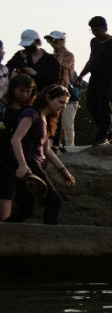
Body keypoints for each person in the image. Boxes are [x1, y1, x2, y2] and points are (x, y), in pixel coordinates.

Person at [6, 85, 76, 225]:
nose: (63, 106)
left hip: (33, 164)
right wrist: (22, 165)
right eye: (61, 102)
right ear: (48, 97)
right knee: (54, 201)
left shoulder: (46, 119)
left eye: (66, 104)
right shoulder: (32, 113)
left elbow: (47, 149)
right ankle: (51, 239)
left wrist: (64, 171)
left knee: (24, 211)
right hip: (28, 165)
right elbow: (15, 139)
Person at [76, 15, 112, 146]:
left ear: (105, 28)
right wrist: (81, 75)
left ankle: (103, 136)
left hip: (109, 79)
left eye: (97, 30)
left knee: (104, 106)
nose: (95, 32)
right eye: (93, 30)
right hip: (94, 78)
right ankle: (108, 132)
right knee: (91, 105)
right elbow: (91, 60)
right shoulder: (93, 42)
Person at [0, 74, 37, 221]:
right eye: (21, 90)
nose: (25, 94)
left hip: (18, 155)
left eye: (28, 91)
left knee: (17, 194)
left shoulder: (28, 110)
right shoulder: (3, 106)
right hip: (3, 154)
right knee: (5, 191)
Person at [46, 31, 77, 151]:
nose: (51, 43)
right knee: (50, 116)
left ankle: (56, 144)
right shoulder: (52, 55)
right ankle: (51, 143)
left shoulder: (68, 55)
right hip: (51, 88)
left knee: (59, 117)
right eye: (50, 41)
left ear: (61, 41)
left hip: (62, 89)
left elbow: (58, 68)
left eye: (54, 40)